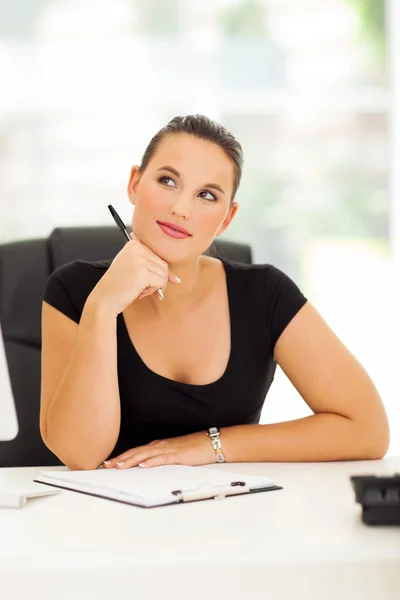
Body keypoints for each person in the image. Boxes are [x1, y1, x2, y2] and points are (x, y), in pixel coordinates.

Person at [40, 114, 390, 471]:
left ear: (226, 218)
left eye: (207, 195)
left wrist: (210, 445)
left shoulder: (266, 294)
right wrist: (102, 306)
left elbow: (367, 430)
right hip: (100, 520)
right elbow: (80, 455)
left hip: (228, 514)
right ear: (134, 183)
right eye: (167, 181)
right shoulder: (75, 290)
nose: (181, 209)